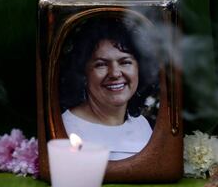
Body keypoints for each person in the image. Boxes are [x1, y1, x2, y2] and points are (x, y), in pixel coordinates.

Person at [60, 17, 158, 160]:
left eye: (125, 62)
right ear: (84, 73)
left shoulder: (142, 125)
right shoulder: (67, 127)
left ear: (139, 69)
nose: (115, 73)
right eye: (101, 64)